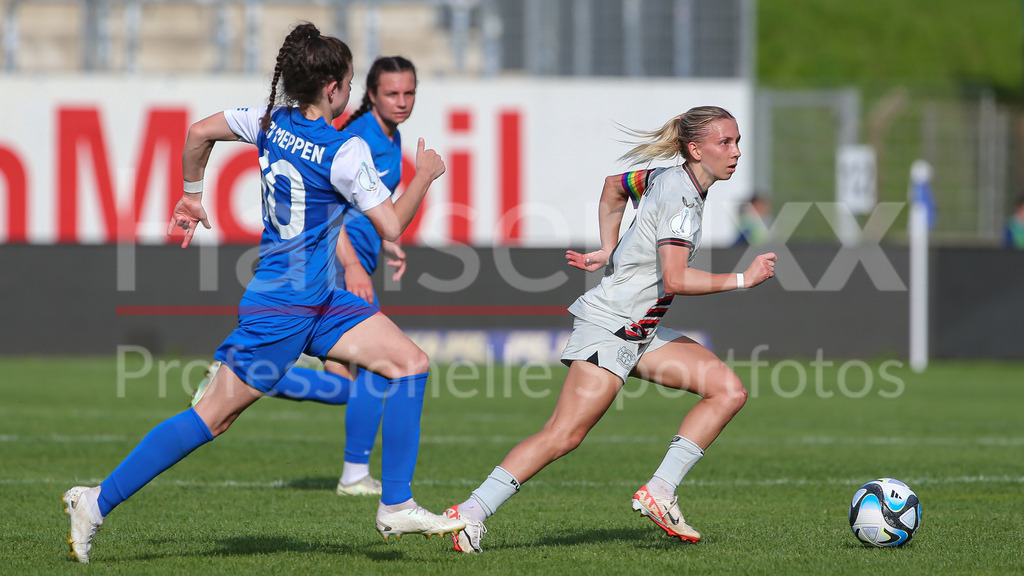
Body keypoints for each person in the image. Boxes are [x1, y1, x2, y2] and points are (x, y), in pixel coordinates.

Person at [61, 23, 464, 564]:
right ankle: (96, 500)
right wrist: (426, 175)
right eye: (346, 82)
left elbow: (199, 131)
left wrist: (191, 196)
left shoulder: (270, 122)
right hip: (284, 307)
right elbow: (391, 225)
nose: (348, 91)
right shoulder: (344, 151)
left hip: (318, 298)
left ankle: (395, 503)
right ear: (332, 88)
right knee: (212, 419)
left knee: (409, 363)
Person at [442, 106, 777, 553]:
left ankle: (658, 492)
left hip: (639, 330)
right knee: (563, 435)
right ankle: (468, 515)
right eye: (725, 143)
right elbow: (676, 279)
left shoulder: (664, 177)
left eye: (737, 141)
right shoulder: (679, 197)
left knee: (727, 390)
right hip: (612, 327)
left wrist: (608, 246)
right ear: (695, 149)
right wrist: (743, 279)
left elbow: (612, 188)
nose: (735, 152)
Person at [190, 56, 420, 498]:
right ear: (368, 94)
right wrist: (352, 264)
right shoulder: (355, 137)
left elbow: (364, 207)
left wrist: (386, 243)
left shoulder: (390, 138)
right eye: (392, 93)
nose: (402, 102)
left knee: (352, 384)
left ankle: (257, 380)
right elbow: (327, 210)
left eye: (409, 93)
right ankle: (355, 475)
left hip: (349, 264)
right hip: (331, 267)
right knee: (376, 376)